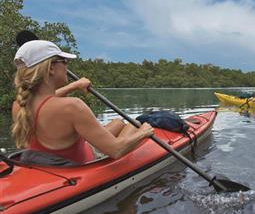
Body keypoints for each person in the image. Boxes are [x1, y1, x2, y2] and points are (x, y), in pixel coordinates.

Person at [11, 39, 153, 164]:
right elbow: (115, 150)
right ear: (51, 68)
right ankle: (140, 128)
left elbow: (45, 101)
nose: (67, 66)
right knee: (136, 125)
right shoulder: (72, 107)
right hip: (87, 159)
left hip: (52, 160)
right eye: (64, 61)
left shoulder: (18, 105)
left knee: (118, 122)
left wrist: (74, 85)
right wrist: (143, 133)